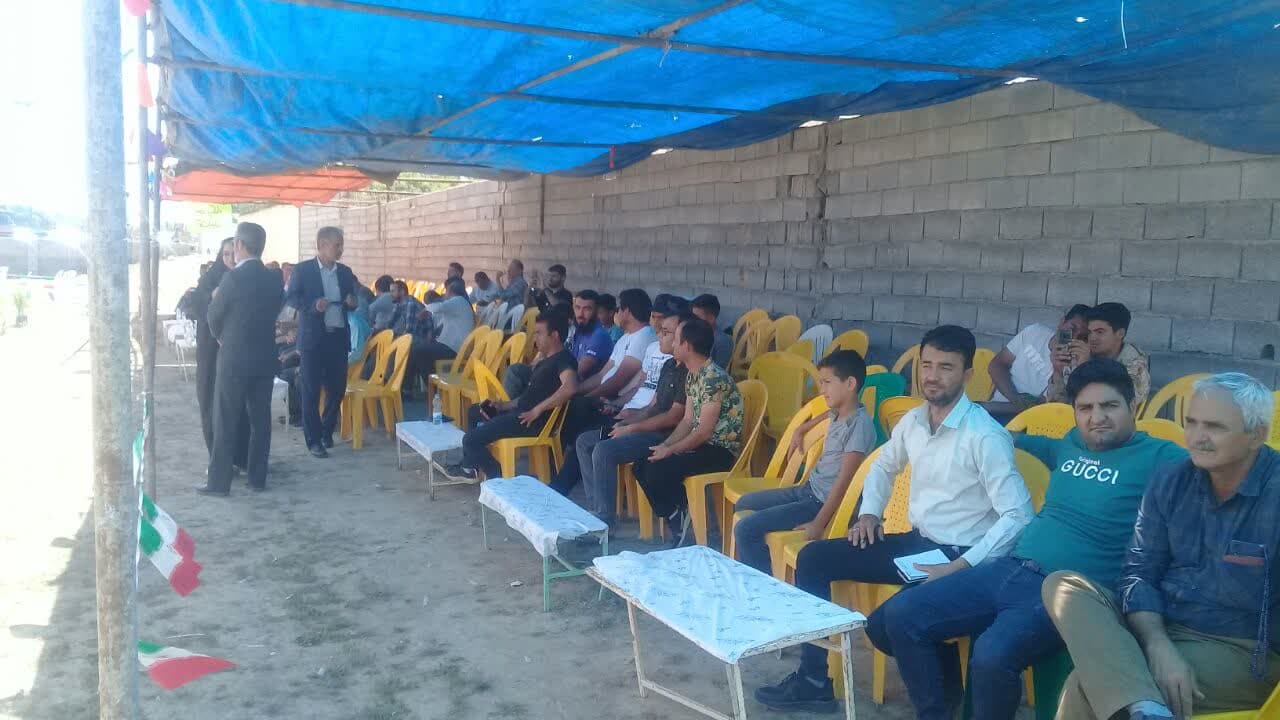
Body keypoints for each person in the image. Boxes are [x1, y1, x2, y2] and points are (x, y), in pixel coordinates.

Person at [866, 359, 1187, 720]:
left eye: (1109, 406)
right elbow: (1028, 442)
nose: (1097, 417)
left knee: (991, 654)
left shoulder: (1161, 456)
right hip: (1011, 567)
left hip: (1070, 591)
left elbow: (1216, 468)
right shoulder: (1072, 443)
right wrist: (997, 435)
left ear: (1132, 405)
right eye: (1085, 408)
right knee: (898, 616)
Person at [754, 324, 1034, 712]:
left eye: (946, 367)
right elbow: (883, 466)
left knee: (890, 624)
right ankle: (814, 680)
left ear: (968, 374)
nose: (932, 376)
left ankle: (939, 706)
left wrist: (960, 566)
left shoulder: (984, 435)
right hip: (919, 544)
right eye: (927, 365)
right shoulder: (915, 421)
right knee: (813, 558)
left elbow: (1018, 515)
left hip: (963, 554)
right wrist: (870, 512)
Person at [1045, 373, 1280, 720]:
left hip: (1240, 648)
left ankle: (1144, 705)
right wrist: (1158, 644)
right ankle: (1147, 708)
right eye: (1192, 423)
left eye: (1214, 427)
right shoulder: (1172, 479)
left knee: (1083, 687)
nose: (1197, 437)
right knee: (1063, 586)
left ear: (1256, 435)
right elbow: (1139, 571)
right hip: (1162, 626)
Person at [733, 350, 877, 575]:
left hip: (819, 503)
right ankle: (769, 564)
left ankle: (764, 585)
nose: (822, 390)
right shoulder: (839, 411)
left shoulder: (859, 427)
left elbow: (844, 483)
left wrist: (819, 524)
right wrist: (803, 427)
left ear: (850, 384)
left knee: (746, 529)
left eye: (827, 382)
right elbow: (826, 415)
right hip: (807, 490)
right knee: (744, 503)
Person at [634, 317, 745, 547]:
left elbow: (703, 432)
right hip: (701, 444)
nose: (673, 343)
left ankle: (683, 518)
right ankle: (677, 513)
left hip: (718, 450)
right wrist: (665, 446)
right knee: (642, 463)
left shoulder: (713, 378)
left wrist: (671, 450)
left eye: (676, 339)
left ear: (687, 345)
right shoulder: (694, 374)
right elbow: (687, 421)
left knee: (657, 470)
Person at [198, 222, 284, 496]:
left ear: (239, 245)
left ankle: (219, 484)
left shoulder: (232, 278)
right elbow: (276, 309)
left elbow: (213, 316)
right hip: (264, 357)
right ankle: (257, 479)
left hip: (234, 358)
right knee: (261, 420)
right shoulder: (274, 279)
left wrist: (222, 337)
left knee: (225, 419)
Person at [576, 312, 688, 524]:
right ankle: (595, 507)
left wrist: (631, 429)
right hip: (645, 426)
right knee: (585, 441)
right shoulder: (668, 366)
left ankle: (604, 519)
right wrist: (627, 422)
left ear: (682, 339)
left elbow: (673, 418)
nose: (659, 335)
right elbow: (653, 406)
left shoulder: (687, 373)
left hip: (663, 435)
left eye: (666, 333)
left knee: (603, 450)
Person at [445, 310, 578, 481]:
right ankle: (470, 467)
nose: (535, 338)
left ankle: (500, 479)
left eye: (539, 333)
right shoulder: (545, 361)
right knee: (474, 411)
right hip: (519, 413)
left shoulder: (563, 359)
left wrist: (537, 410)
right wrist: (502, 405)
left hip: (530, 422)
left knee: (471, 440)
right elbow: (528, 397)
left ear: (555, 336)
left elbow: (570, 388)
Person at [551, 289, 655, 495]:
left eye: (619, 309)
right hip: (610, 400)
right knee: (570, 406)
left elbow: (618, 380)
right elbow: (601, 375)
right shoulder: (626, 337)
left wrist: (590, 397)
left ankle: (561, 484)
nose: (616, 314)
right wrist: (576, 391)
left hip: (620, 403)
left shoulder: (644, 337)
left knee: (581, 424)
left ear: (626, 311)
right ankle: (562, 472)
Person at [286, 226, 359, 459]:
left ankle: (327, 431)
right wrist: (313, 305)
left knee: (337, 389)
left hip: (337, 337)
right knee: (310, 390)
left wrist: (352, 302)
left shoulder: (345, 272)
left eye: (341, 245)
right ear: (322, 245)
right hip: (313, 339)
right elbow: (292, 297)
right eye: (337, 245)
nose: (340, 249)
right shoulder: (303, 270)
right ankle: (314, 440)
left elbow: (353, 299)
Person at [190, 237, 247, 463]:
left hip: (238, 349)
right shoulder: (211, 278)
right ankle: (217, 457)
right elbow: (196, 304)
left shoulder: (246, 278)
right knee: (210, 401)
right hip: (211, 351)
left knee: (239, 404)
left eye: (234, 253)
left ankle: (240, 457)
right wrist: (211, 297)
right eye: (225, 254)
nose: (230, 259)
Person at [987, 304, 1090, 412]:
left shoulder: (1076, 365)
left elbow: (1046, 407)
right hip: (997, 407)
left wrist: (1058, 371)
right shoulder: (1035, 332)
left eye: (1082, 337)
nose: (1074, 337)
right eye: (1072, 329)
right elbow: (996, 365)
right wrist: (1014, 397)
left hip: (1025, 417)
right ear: (1062, 322)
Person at [1047, 302, 1150, 406]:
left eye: (1100, 332)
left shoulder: (1134, 364)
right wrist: (1058, 372)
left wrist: (1086, 368)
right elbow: (1056, 405)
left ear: (1120, 333)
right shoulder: (1088, 355)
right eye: (1089, 332)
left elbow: (1111, 406)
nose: (1092, 338)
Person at [409, 277, 475, 387]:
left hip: (454, 348)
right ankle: (427, 388)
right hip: (451, 346)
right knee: (418, 348)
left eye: (446, 290)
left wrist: (425, 310)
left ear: (449, 289)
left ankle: (432, 389)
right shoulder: (459, 303)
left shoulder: (458, 301)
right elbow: (441, 323)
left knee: (417, 351)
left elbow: (438, 307)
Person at [691, 294, 732, 369]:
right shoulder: (694, 335)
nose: (693, 321)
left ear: (711, 319)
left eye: (697, 317)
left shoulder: (723, 342)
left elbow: (717, 371)